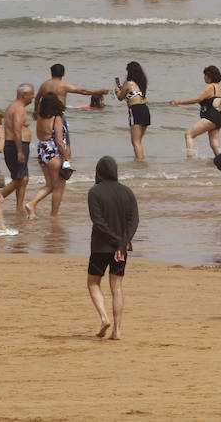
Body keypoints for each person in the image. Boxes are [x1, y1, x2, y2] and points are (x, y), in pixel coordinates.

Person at [87, 155, 138, 340]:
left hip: (100, 247)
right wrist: (122, 243)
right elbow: (134, 221)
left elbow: (98, 222)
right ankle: (117, 330)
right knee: (116, 287)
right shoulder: (127, 192)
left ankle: (104, 318)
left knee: (93, 283)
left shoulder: (95, 192)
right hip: (121, 248)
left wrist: (115, 241)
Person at [25, 93, 68, 218]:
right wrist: (66, 157)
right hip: (54, 152)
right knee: (59, 187)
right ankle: (53, 215)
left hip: (42, 151)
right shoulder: (56, 118)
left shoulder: (40, 117)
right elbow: (59, 141)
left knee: (50, 185)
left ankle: (32, 204)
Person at [171, 65, 221, 157]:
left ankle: (191, 160)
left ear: (209, 76)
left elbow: (197, 99)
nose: (204, 77)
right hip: (218, 118)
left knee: (189, 134)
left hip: (210, 118)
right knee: (215, 145)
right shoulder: (220, 87)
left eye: (205, 75)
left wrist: (179, 102)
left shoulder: (210, 87)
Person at [0, 84, 35, 213]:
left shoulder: (15, 107)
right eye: (31, 94)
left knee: (23, 178)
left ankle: (19, 208)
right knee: (20, 179)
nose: (33, 96)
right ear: (24, 95)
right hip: (16, 145)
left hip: (15, 144)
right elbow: (16, 129)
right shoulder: (18, 108)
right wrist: (20, 151)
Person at [113, 61, 150, 160]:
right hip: (145, 109)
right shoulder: (140, 84)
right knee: (138, 141)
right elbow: (132, 95)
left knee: (135, 142)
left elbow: (120, 97)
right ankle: (140, 160)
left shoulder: (128, 83)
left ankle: (139, 162)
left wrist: (117, 91)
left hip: (135, 110)